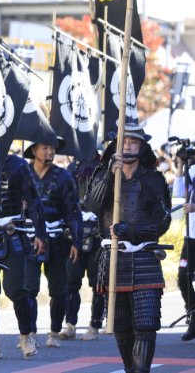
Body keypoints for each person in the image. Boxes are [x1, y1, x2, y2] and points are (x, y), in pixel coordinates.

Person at [84, 122, 171, 373]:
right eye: (123, 142)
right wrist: (111, 175)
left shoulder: (153, 179)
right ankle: (129, 369)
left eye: (133, 142)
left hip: (143, 256)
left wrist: (133, 231)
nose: (128, 146)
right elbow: (92, 205)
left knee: (145, 324)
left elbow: (162, 221)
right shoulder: (103, 174)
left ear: (142, 146)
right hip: (112, 258)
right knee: (121, 326)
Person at [0, 151, 47, 359]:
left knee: (16, 289)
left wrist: (40, 233)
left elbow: (34, 201)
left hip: (13, 234)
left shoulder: (17, 165)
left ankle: (26, 335)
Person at [24, 134, 81, 347]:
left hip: (57, 239)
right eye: (45, 148)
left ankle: (55, 332)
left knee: (59, 289)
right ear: (34, 149)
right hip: (29, 239)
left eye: (52, 148)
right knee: (28, 289)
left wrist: (76, 241)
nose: (49, 152)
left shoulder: (64, 177)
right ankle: (28, 332)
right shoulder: (23, 174)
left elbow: (73, 212)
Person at [65, 151, 105, 340]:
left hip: (98, 231)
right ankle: (70, 324)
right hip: (76, 230)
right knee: (72, 279)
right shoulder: (72, 168)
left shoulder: (106, 168)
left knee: (97, 281)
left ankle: (94, 325)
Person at [173, 149, 195, 341]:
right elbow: (179, 191)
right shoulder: (192, 170)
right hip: (191, 238)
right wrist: (181, 163)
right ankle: (193, 317)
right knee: (183, 277)